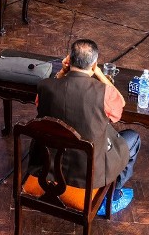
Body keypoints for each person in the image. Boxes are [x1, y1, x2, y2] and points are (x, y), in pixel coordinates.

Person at [32, 39, 140, 197]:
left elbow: (39, 103)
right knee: (133, 137)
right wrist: (99, 73)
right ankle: (115, 192)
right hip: (89, 175)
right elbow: (120, 104)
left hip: (49, 167)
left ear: (69, 60)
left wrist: (62, 72)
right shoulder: (105, 93)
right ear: (94, 64)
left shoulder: (45, 86)